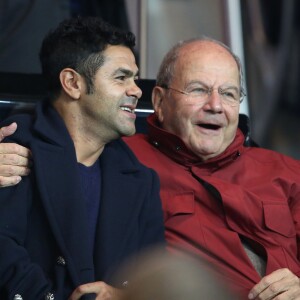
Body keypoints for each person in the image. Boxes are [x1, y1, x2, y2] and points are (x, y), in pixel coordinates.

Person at [1, 37, 300, 299]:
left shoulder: (285, 171)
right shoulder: (120, 158)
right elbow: (65, 133)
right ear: (159, 101)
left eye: (229, 94)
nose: (215, 105)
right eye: (198, 90)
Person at [0, 16, 165, 300]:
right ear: (72, 83)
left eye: (135, 79)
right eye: (121, 77)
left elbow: (155, 276)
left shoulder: (141, 181)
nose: (137, 91)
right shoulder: (14, 145)